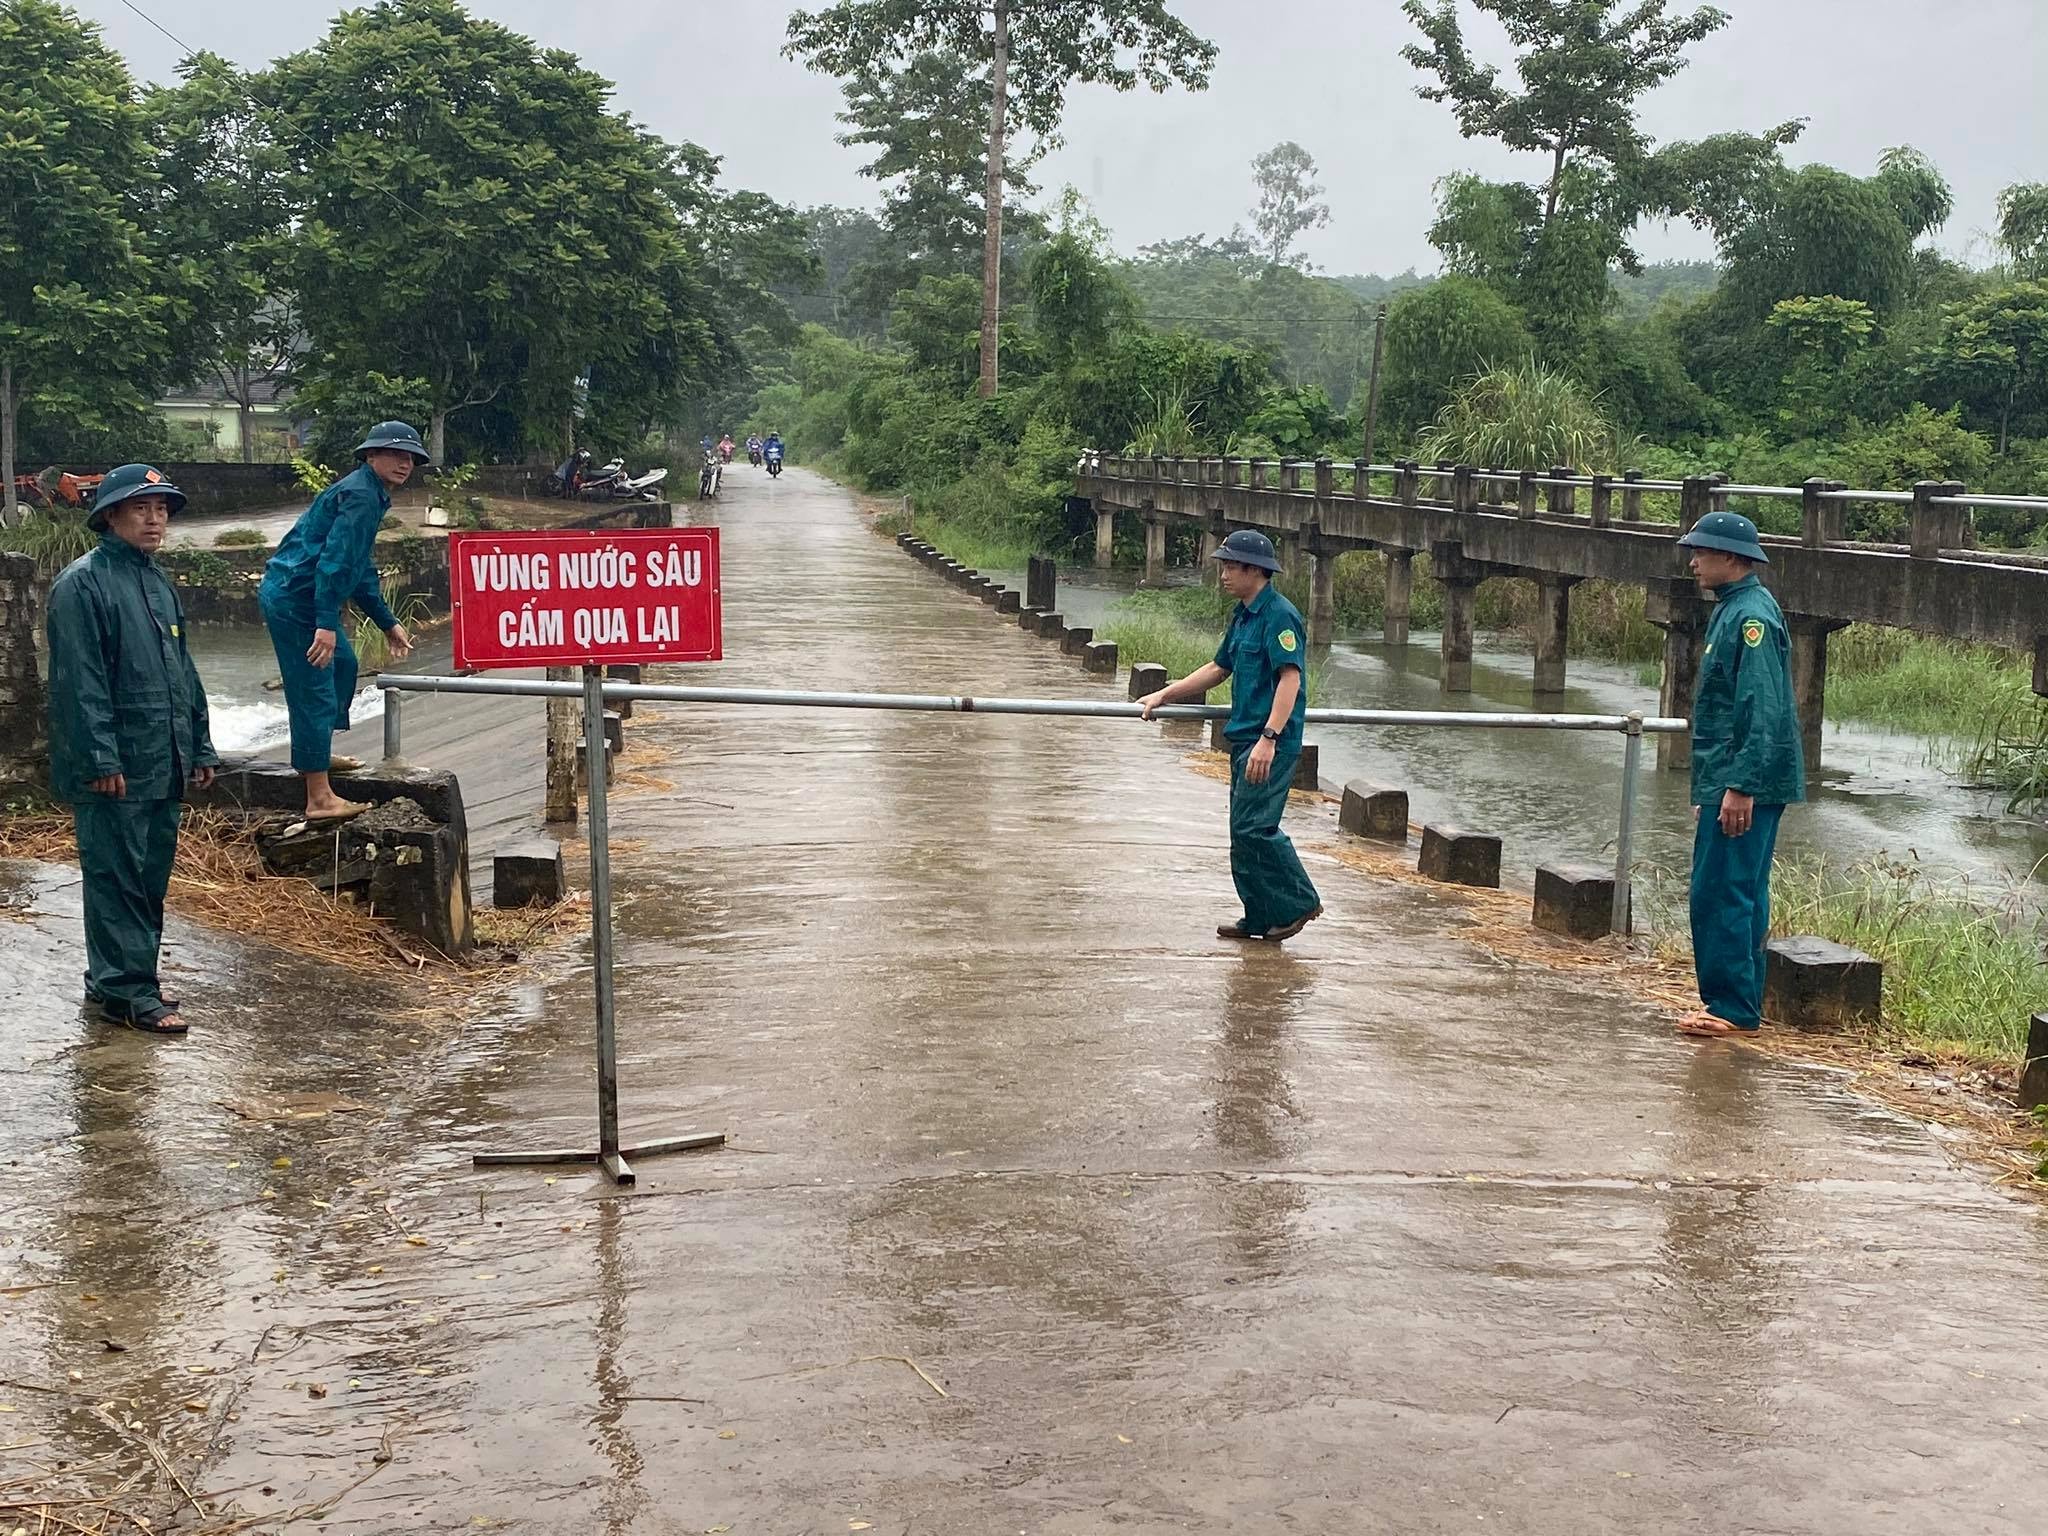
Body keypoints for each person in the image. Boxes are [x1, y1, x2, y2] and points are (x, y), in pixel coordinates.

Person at [45, 464, 219, 1035]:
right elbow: (79, 680)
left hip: (160, 757)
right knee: (115, 875)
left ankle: (114, 978)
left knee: (146, 877)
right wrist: (99, 758)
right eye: (141, 508)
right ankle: (130, 995)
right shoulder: (83, 583)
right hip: (114, 763)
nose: (155, 519)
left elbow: (182, 671)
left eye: (162, 508)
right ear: (110, 516)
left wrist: (199, 744)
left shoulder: (158, 582)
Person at [1137, 529, 1323, 942]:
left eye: (1229, 566)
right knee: (1241, 832)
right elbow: (1219, 668)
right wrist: (1166, 693)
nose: (1222, 573)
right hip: (1244, 740)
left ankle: (1300, 900)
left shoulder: (1280, 616)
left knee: (1257, 828)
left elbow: (1290, 680)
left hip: (1268, 743)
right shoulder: (1243, 614)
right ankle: (1258, 916)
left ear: (1254, 570)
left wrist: (1270, 738)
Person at [1674, 510, 1804, 1039]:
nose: (1693, 560)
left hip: (1746, 779)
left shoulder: (1751, 617)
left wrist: (1740, 786)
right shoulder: (1735, 608)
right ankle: (1737, 1001)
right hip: (1731, 777)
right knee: (1739, 888)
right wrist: (1715, 787)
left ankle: (1730, 1008)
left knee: (1721, 890)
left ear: (1731, 557)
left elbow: (1760, 706)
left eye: (1701, 552)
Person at [259, 421, 425, 821]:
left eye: (410, 458)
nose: (404, 464)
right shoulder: (360, 495)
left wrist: (387, 622)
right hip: (296, 597)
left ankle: (317, 752)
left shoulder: (371, 493)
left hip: (305, 594)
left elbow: (358, 566)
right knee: (314, 685)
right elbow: (333, 563)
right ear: (370, 456)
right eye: (395, 454)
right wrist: (325, 623)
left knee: (344, 667)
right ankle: (319, 798)